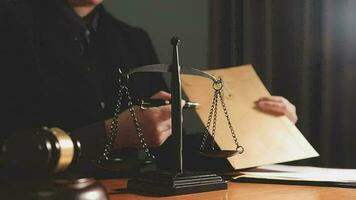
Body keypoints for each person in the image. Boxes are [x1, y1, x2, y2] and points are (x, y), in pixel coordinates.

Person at [0, 0, 297, 172]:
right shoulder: (9, 25)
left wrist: (264, 134)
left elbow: (167, 150)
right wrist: (111, 134)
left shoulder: (132, 40)